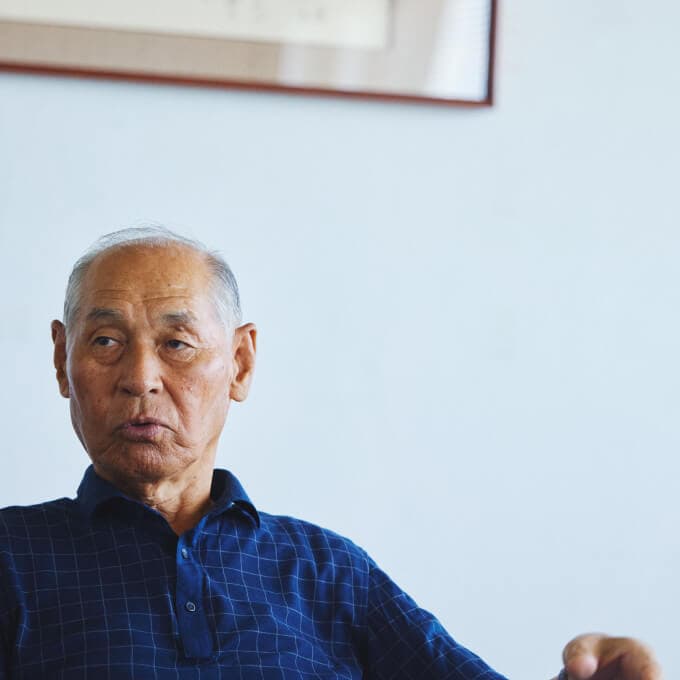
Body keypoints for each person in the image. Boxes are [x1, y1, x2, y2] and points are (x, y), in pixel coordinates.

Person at [0, 227, 661, 679]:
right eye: (106, 342)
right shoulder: (13, 555)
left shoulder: (329, 573)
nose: (140, 377)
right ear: (62, 361)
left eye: (177, 344)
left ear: (240, 364)